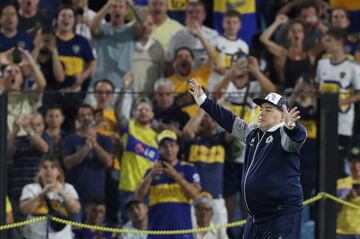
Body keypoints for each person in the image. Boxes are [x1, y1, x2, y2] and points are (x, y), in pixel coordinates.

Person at [188, 78, 307, 239]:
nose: (262, 112)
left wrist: (292, 127)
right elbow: (229, 120)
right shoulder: (253, 132)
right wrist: (204, 101)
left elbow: (298, 138)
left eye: (269, 110)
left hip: (281, 214)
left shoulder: (284, 134)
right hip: (256, 216)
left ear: (282, 116)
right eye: (261, 109)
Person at [135, 129, 201, 239]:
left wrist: (175, 176)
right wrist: (150, 175)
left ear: (177, 147)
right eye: (165, 146)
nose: (169, 150)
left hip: (182, 230)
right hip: (157, 231)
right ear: (159, 149)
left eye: (172, 145)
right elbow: (138, 197)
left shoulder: (188, 168)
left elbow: (196, 194)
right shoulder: (151, 171)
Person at [316, 28, 360, 177]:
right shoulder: (321, 63)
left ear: (339, 42)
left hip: (343, 121)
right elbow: (317, 88)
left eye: (328, 40)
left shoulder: (352, 66)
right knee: (322, 162)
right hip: (323, 119)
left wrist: (340, 102)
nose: (324, 43)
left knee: (339, 161)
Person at [19, 156, 81, 239]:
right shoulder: (30, 188)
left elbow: (76, 210)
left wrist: (62, 192)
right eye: (45, 167)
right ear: (39, 171)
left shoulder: (68, 188)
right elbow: (24, 210)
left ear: (58, 171)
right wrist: (42, 194)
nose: (49, 170)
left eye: (53, 167)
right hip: (34, 236)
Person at [336, 146, 360, 239]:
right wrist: (347, 197)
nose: (356, 166)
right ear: (348, 163)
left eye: (358, 162)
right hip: (341, 231)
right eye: (353, 162)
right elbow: (334, 209)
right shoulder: (340, 183)